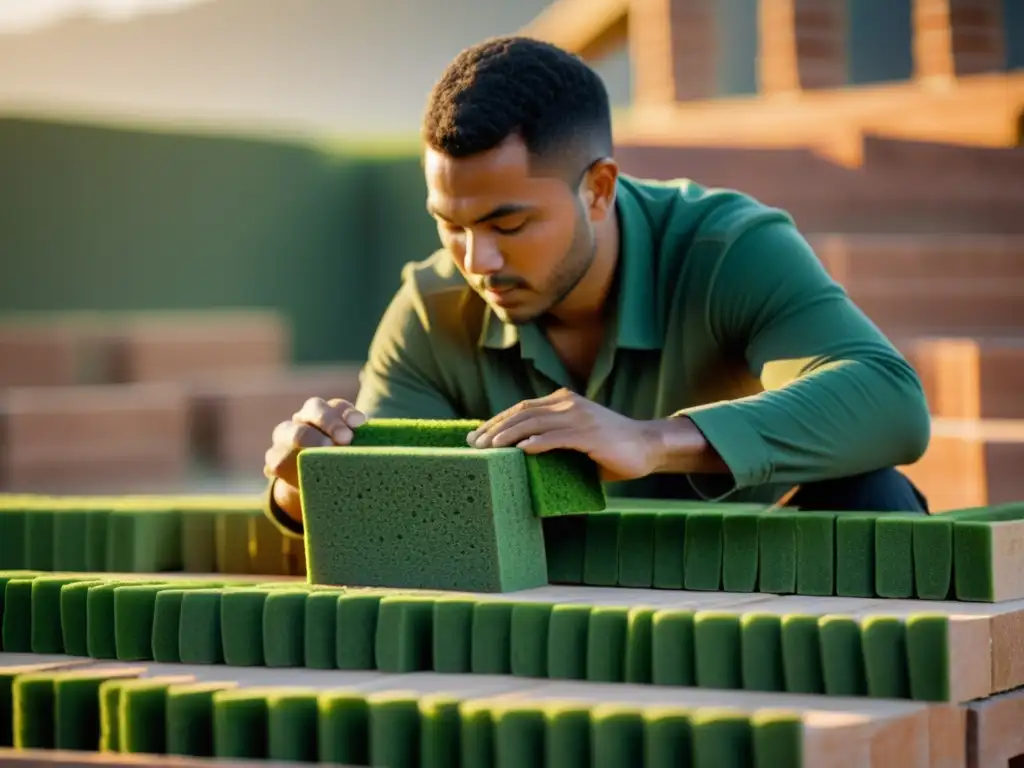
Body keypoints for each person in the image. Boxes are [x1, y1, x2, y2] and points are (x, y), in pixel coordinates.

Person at [262, 36, 931, 538]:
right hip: (552, 611)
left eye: (509, 223)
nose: (478, 260)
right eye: (450, 225)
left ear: (599, 190)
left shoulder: (730, 250)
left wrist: (652, 441)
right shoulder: (431, 311)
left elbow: (891, 402)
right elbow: (389, 514)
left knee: (876, 495)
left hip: (760, 587)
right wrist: (301, 488)